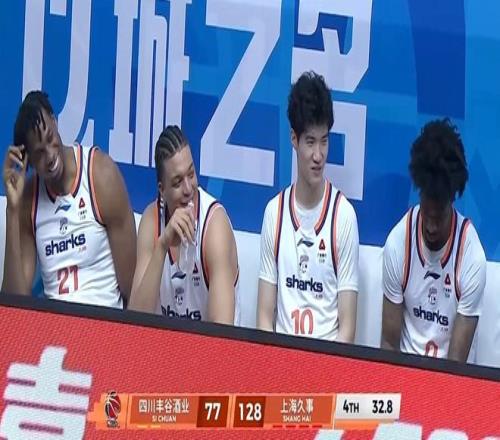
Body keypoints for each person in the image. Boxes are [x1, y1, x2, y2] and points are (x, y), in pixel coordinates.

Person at [2, 91, 136, 308]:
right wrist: (12, 210)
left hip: (104, 320)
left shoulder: (100, 174)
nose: (50, 156)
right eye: (39, 152)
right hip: (55, 326)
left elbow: (132, 289)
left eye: (50, 139)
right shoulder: (29, 199)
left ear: (55, 122)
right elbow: (14, 305)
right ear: (29, 161)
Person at [257, 71, 359, 342]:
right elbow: (264, 319)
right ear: (294, 139)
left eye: (324, 141)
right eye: (310, 142)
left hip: (328, 361)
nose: (318, 155)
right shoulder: (274, 213)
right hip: (281, 361)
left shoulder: (343, 217)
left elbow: (347, 330)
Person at [382, 119, 486, 361]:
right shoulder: (398, 242)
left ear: (452, 201)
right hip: (405, 373)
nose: (430, 226)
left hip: (449, 377)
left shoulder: (472, 258)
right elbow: (388, 345)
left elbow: (456, 364)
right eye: (426, 215)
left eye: (438, 218)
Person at [129, 125, 239, 324]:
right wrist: (162, 245)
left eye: (191, 174)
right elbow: (135, 322)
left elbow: (222, 333)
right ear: (162, 190)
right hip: (162, 342)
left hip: (209, 342)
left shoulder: (215, 226)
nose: (188, 189)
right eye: (177, 182)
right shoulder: (151, 222)